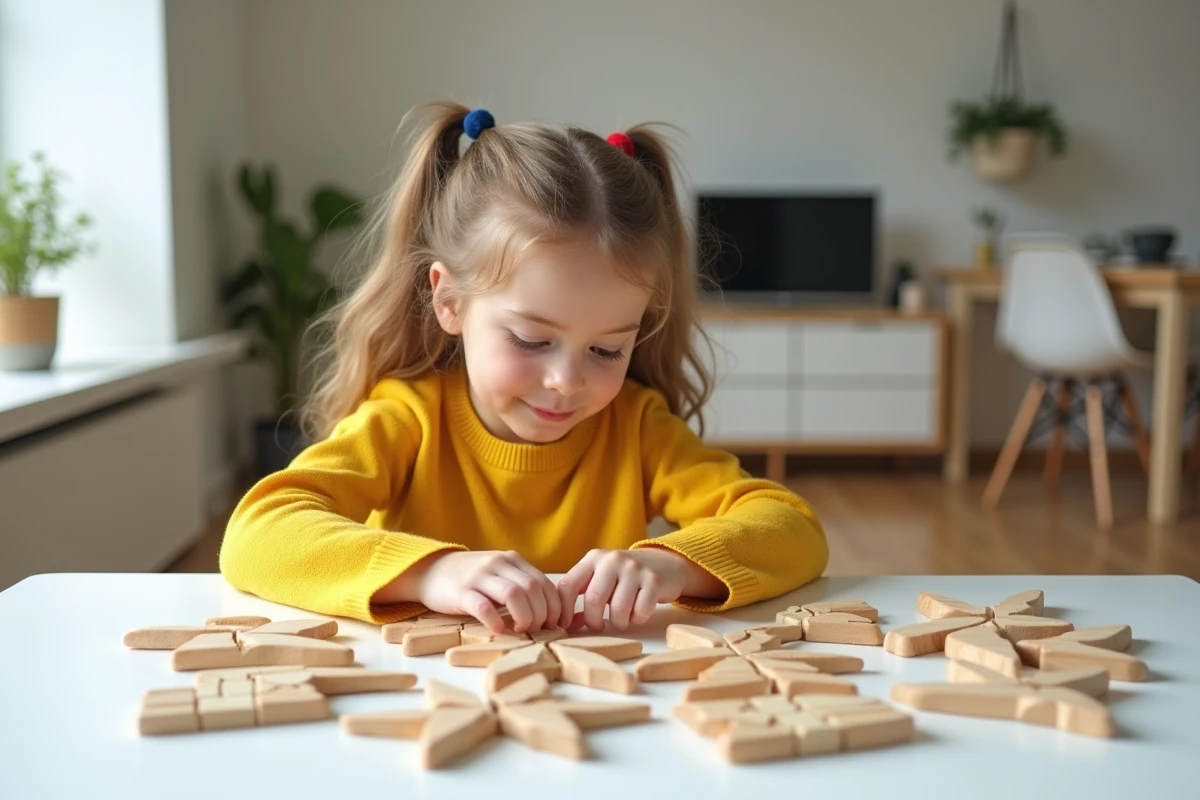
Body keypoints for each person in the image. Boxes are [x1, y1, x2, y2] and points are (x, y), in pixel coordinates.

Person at [220, 102, 828, 635]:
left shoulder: (638, 427)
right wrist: (432, 573)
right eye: (532, 339)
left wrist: (670, 564)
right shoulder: (407, 418)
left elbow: (793, 529)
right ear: (449, 301)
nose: (567, 380)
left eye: (607, 350)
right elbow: (258, 533)